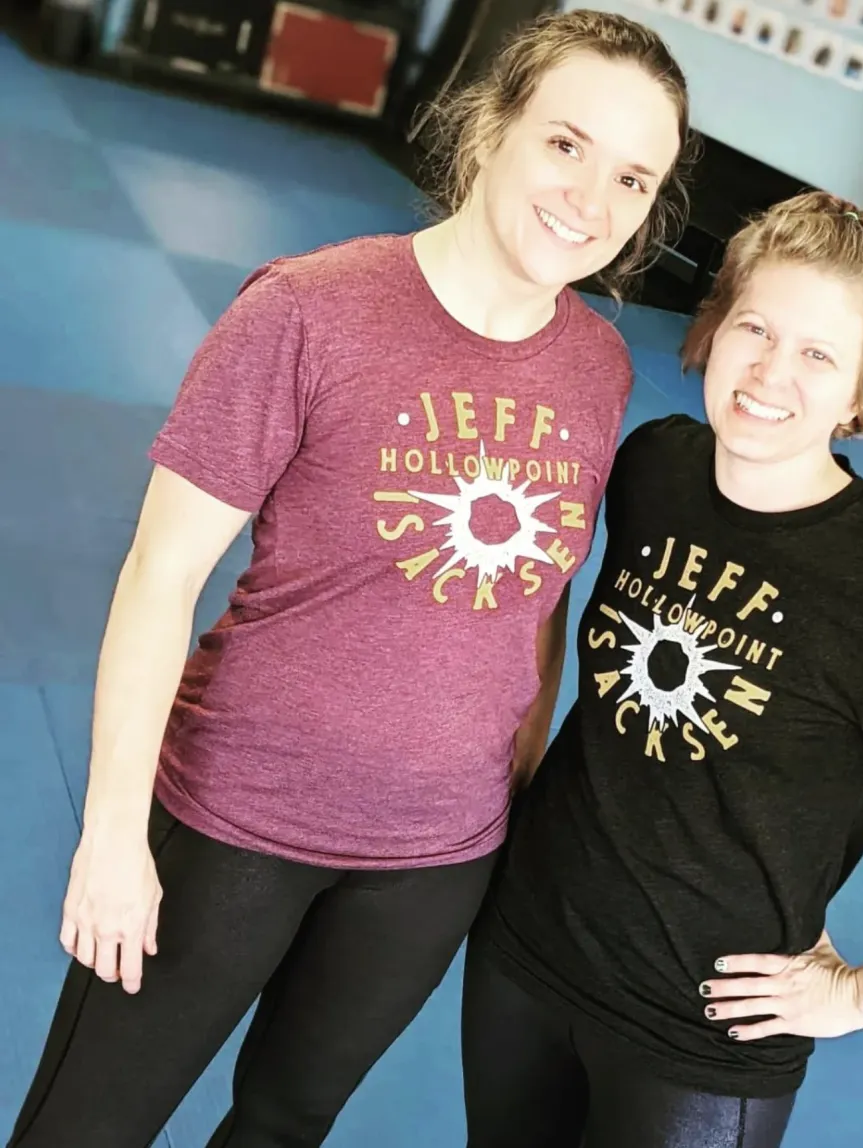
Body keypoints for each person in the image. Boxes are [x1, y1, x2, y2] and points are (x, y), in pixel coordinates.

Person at [8, 11, 693, 1148]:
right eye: (566, 144)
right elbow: (161, 573)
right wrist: (113, 836)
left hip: (433, 861)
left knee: (287, 1122)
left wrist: (510, 790)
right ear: (492, 126)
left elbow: (539, 590)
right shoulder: (307, 309)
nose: (591, 199)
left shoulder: (598, 364)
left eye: (633, 178)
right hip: (235, 818)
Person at [461, 191, 863, 1148]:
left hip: (699, 1038)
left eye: (819, 355)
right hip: (525, 954)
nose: (769, 372)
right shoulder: (656, 467)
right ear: (714, 327)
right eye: (755, 327)